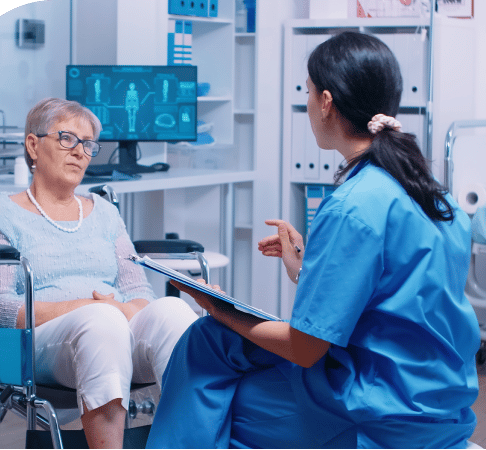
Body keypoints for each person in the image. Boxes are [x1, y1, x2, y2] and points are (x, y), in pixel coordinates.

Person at [145, 31, 480, 449]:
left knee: (214, 363)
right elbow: (394, 305)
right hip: (435, 400)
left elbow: (305, 349)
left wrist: (217, 307)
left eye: (306, 93)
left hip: (377, 413)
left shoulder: (351, 206)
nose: (307, 106)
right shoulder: (435, 198)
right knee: (212, 340)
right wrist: (303, 266)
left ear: (326, 102)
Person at [0, 97, 198, 449]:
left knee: (174, 311)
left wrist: (123, 310)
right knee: (100, 322)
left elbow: (139, 290)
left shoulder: (105, 213)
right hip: (42, 342)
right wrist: (93, 308)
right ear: (33, 145)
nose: (79, 151)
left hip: (114, 326)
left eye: (88, 144)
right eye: (66, 138)